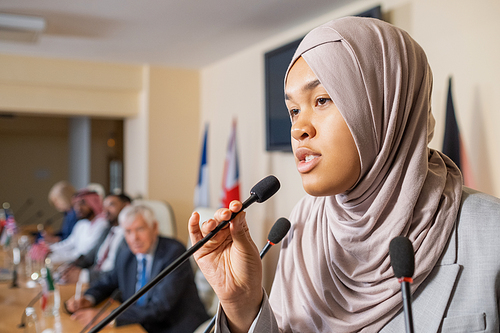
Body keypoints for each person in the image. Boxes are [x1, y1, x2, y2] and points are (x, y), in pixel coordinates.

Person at [188, 17, 500, 332]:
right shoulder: (302, 225)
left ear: (385, 106)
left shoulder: (491, 230)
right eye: (294, 110)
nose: (298, 129)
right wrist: (242, 305)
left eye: (321, 100)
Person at [66, 203, 210, 333]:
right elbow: (108, 281)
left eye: (140, 229)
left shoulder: (174, 252)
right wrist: (88, 299)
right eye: (128, 231)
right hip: (139, 323)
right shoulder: (126, 254)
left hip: (173, 326)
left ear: (154, 227)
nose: (134, 238)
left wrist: (109, 317)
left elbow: (159, 308)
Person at [67, 193, 131, 283]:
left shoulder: (130, 235)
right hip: (94, 279)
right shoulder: (108, 230)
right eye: (104, 206)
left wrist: (85, 276)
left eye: (111, 205)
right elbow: (90, 256)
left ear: (126, 206)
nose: (106, 210)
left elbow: (118, 272)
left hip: (106, 284)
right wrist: (72, 266)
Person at [49, 189, 109, 264]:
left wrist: (52, 257)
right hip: (75, 262)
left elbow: (85, 253)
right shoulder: (81, 224)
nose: (78, 208)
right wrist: (49, 249)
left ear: (93, 203)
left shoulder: (102, 224)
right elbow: (69, 243)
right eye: (76, 204)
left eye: (82, 204)